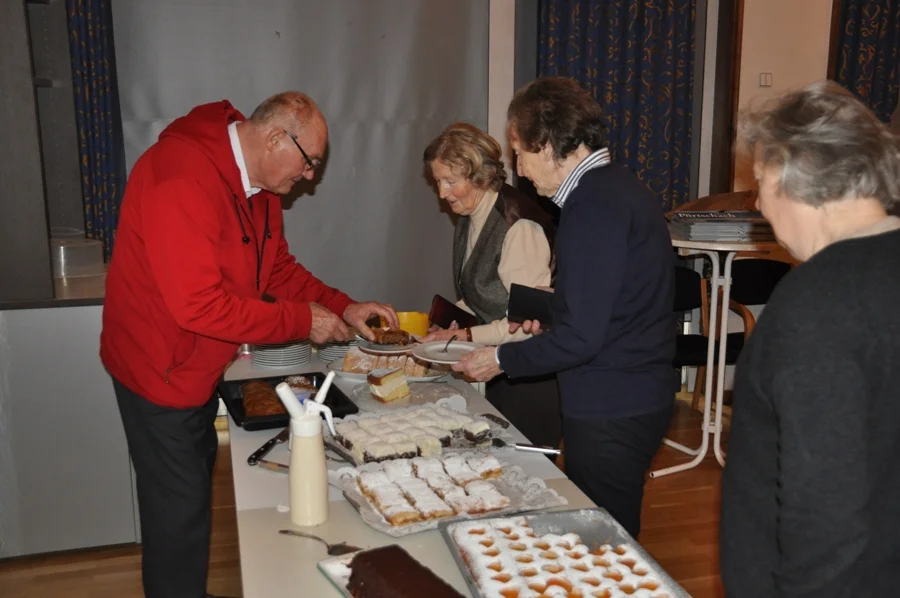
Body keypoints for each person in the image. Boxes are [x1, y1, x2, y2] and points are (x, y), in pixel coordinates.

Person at [100, 92, 397, 598]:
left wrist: (341, 306)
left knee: (190, 501)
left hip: (196, 363)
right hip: (158, 369)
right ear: (277, 137)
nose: (309, 177)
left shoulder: (257, 186)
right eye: (309, 163)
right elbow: (197, 306)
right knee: (177, 512)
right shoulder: (181, 176)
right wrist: (303, 321)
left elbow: (276, 269)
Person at [453, 77, 676, 539]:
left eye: (520, 152)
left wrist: (498, 359)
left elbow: (583, 338)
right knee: (604, 536)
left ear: (547, 142)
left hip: (611, 404)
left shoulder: (592, 205)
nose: (519, 169)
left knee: (604, 545)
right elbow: (613, 303)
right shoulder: (617, 187)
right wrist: (554, 311)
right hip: (633, 394)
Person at [719, 81, 900, 598]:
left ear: (792, 173)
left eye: (760, 182)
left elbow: (824, 507)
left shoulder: (817, 303)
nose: (758, 203)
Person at [419, 123, 561, 448]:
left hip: (531, 376)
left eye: (450, 182)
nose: (442, 193)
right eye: (437, 182)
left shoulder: (518, 226)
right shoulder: (471, 214)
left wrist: (464, 335)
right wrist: (454, 320)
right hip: (499, 366)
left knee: (527, 467)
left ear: (479, 176)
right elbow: (483, 292)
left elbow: (526, 325)